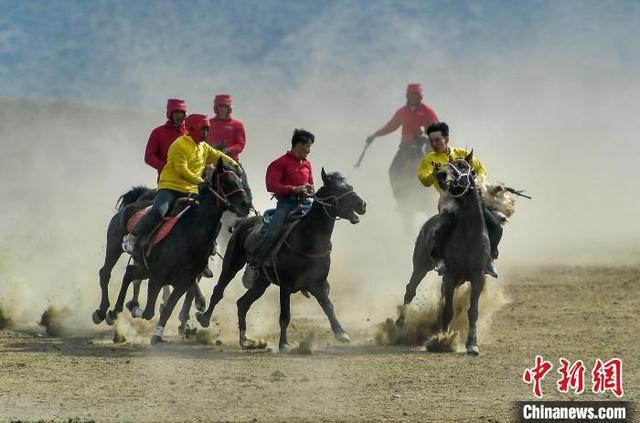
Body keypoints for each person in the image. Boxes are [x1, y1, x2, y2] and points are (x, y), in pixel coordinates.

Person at [123, 114, 239, 253]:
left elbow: (216, 155)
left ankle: (205, 251)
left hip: (192, 189)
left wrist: (234, 164)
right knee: (159, 212)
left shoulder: (203, 146)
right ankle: (133, 237)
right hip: (171, 188)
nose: (206, 133)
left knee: (209, 214)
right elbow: (182, 170)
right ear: (192, 128)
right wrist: (201, 182)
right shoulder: (179, 145)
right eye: (203, 130)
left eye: (207, 130)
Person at [416, 122, 501, 278]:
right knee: (441, 230)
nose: (434, 144)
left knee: (496, 227)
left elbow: (481, 169)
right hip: (449, 204)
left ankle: (489, 259)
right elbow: (424, 179)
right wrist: (432, 175)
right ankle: (440, 260)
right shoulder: (429, 160)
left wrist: (479, 180)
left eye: (437, 140)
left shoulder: (462, 153)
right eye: (431, 141)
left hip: (471, 203)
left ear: (446, 139)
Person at [242, 129, 315, 286]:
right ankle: (253, 265)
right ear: (298, 145)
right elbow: (271, 185)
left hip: (305, 204)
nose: (309, 151)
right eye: (307, 146)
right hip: (286, 204)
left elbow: (311, 184)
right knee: (273, 232)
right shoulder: (280, 163)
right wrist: (294, 189)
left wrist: (309, 189)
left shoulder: (308, 164)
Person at [365, 83, 439, 213]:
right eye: (412, 94)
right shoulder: (403, 111)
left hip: (423, 146)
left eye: (416, 95)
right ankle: (399, 198)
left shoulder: (428, 111)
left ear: (420, 96)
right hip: (405, 148)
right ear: (407, 96)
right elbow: (391, 125)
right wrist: (375, 134)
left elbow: (437, 129)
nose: (414, 97)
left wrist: (428, 138)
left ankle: (439, 195)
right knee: (393, 170)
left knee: (435, 170)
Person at [144, 98, 188, 177]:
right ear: (170, 114)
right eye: (176, 112)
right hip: (166, 180)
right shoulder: (158, 132)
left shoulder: (190, 133)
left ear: (185, 115)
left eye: (181, 113)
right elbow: (149, 157)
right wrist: (164, 166)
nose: (179, 116)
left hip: (189, 180)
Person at [206, 94, 246, 161]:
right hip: (210, 160)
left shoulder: (237, 125)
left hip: (231, 160)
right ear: (216, 108)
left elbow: (240, 145)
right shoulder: (208, 123)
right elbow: (202, 141)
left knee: (240, 172)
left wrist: (228, 150)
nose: (222, 110)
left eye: (225, 107)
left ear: (229, 109)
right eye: (220, 107)